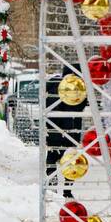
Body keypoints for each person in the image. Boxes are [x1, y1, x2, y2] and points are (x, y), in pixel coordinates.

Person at [45, 66, 86, 198]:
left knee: (52, 157)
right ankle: (67, 191)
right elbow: (80, 106)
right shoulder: (76, 89)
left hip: (53, 130)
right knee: (71, 161)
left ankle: (53, 185)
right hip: (71, 131)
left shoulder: (52, 87)